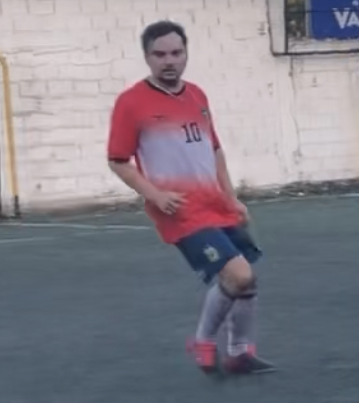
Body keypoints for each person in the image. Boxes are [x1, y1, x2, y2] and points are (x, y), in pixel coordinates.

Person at [108, 20, 275, 376]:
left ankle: (239, 353)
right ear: (147, 57)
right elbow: (118, 160)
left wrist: (232, 198)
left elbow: (214, 150)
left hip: (214, 203)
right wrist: (155, 195)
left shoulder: (197, 95)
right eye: (160, 54)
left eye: (176, 53)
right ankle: (203, 340)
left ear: (186, 53)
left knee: (245, 280)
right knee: (239, 274)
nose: (169, 61)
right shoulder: (131, 103)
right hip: (180, 209)